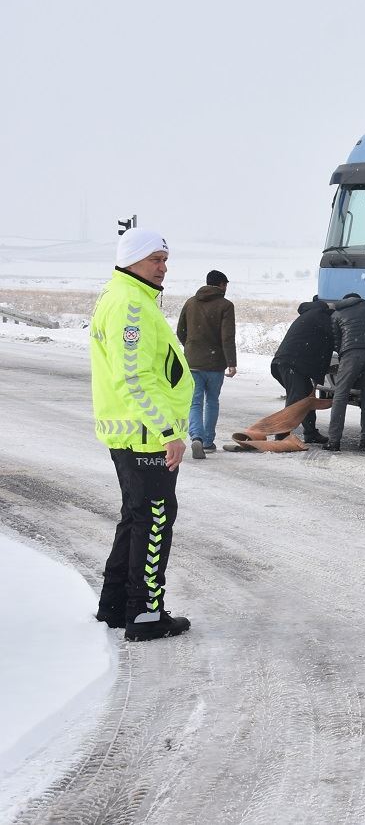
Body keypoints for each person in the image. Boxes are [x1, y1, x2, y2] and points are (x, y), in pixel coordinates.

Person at [90, 228, 193, 641]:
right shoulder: (131, 306)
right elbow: (136, 378)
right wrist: (168, 432)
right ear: (131, 259)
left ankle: (115, 606)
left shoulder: (125, 297)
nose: (163, 267)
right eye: (155, 259)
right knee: (154, 520)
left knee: (138, 516)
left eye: (165, 260)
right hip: (145, 435)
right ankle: (145, 613)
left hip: (135, 432)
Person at [176, 270, 237, 458]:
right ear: (221, 285)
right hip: (215, 363)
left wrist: (191, 346)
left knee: (194, 402)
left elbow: (180, 331)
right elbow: (227, 337)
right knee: (211, 401)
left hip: (193, 361)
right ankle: (209, 442)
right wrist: (231, 363)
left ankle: (196, 437)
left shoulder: (191, 302)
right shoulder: (225, 305)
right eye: (225, 284)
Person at [271, 295, 335, 444]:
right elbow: (333, 339)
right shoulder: (321, 316)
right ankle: (282, 433)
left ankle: (311, 433)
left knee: (307, 398)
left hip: (288, 362)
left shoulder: (311, 313)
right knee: (297, 399)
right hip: (291, 364)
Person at [325, 293, 365, 452]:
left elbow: (336, 341)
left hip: (352, 353)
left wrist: (346, 355)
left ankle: (334, 441)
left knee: (340, 395)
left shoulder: (337, 313)